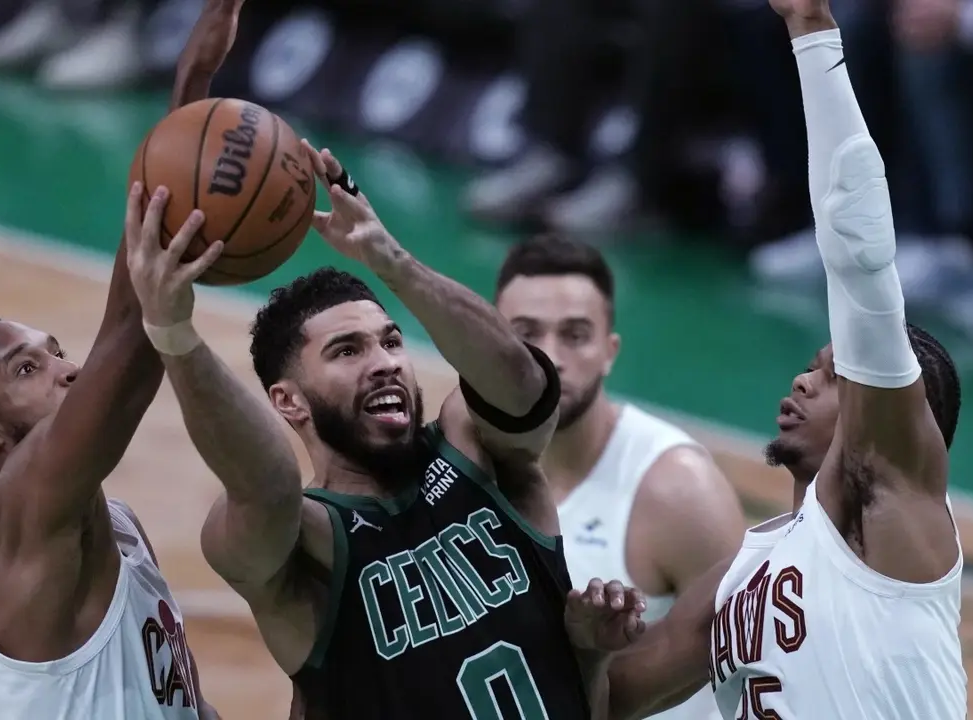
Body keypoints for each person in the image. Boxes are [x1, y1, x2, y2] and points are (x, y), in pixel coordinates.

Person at [126, 139, 641, 719]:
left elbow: (527, 390)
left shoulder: (476, 452)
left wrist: (389, 259)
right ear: (288, 402)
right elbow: (264, 483)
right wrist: (173, 333)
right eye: (347, 351)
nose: (384, 361)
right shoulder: (306, 542)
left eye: (391, 341)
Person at [599, 0, 968, 718]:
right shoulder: (743, 571)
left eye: (834, 375)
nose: (804, 377)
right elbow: (610, 698)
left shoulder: (890, 495)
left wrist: (808, 29)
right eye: (815, 365)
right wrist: (588, 642)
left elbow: (860, 257)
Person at [0, 3, 244, 717]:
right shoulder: (19, 514)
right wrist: (188, 86)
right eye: (26, 369)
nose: (67, 369)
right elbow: (127, 353)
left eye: (55, 352)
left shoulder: (114, 524)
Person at [493, 234, 745, 719]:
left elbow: (755, 660)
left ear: (610, 351)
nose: (550, 357)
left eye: (575, 334)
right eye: (526, 332)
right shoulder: (458, 468)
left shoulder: (676, 488)